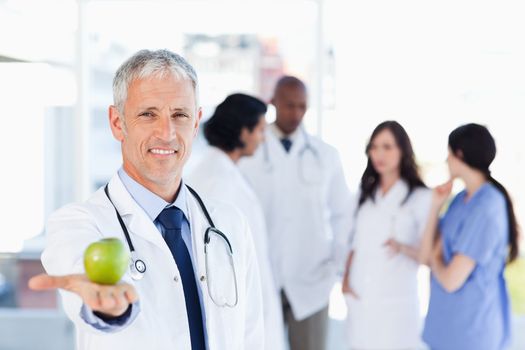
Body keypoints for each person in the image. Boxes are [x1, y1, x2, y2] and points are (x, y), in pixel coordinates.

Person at [28, 49, 264, 350]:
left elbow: (252, 333)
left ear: (196, 123)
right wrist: (109, 307)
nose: (166, 133)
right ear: (117, 122)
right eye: (147, 114)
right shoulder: (78, 224)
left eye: (180, 115)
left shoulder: (229, 223)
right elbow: (84, 284)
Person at [239, 76, 353, 350]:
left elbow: (343, 215)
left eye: (302, 106)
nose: (296, 113)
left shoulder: (326, 155)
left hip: (312, 279)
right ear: (273, 103)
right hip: (263, 276)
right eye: (289, 105)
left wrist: (337, 266)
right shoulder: (250, 154)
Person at [187, 93, 286, 350]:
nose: (264, 138)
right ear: (243, 132)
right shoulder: (218, 181)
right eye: (261, 130)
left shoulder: (224, 171)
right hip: (234, 315)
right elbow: (219, 266)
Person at [421, 123, 519, 350]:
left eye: (448, 154)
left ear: (460, 154)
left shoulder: (487, 207)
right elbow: (426, 255)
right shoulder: (459, 201)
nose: (446, 161)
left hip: (472, 333)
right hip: (447, 329)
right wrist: (435, 206)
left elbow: (450, 279)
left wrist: (436, 259)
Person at [341, 121, 431, 349]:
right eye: (374, 147)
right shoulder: (364, 194)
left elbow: (427, 256)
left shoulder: (421, 197)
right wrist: (345, 281)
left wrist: (401, 247)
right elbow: (353, 242)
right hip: (360, 299)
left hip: (397, 305)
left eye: (387, 147)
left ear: (403, 150)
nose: (379, 154)